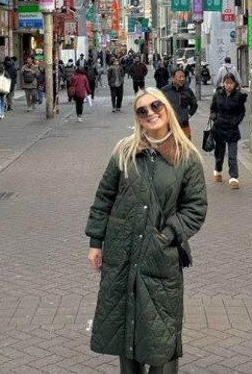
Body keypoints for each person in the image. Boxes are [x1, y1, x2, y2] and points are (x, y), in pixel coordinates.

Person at [85, 89, 207, 373]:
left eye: (156, 106)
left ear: (167, 109)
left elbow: (196, 208)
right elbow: (104, 197)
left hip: (160, 258)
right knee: (126, 324)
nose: (151, 113)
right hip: (122, 253)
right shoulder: (124, 151)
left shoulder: (186, 156)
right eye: (142, 110)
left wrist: (166, 236)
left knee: (162, 333)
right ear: (137, 118)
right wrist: (96, 242)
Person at [208, 73, 246, 187]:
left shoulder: (238, 96)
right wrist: (215, 118)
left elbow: (241, 112)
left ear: (234, 84)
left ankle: (233, 178)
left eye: (231, 83)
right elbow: (212, 109)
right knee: (219, 154)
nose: (229, 85)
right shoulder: (218, 94)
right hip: (219, 128)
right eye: (227, 83)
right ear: (223, 83)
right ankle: (218, 170)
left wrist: (235, 122)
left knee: (232, 155)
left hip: (232, 129)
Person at [161, 68, 198, 139]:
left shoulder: (187, 90)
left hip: (184, 126)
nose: (182, 79)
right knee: (170, 148)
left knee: (186, 148)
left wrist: (189, 114)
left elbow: (194, 105)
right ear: (173, 78)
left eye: (183, 77)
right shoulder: (165, 91)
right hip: (169, 127)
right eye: (180, 77)